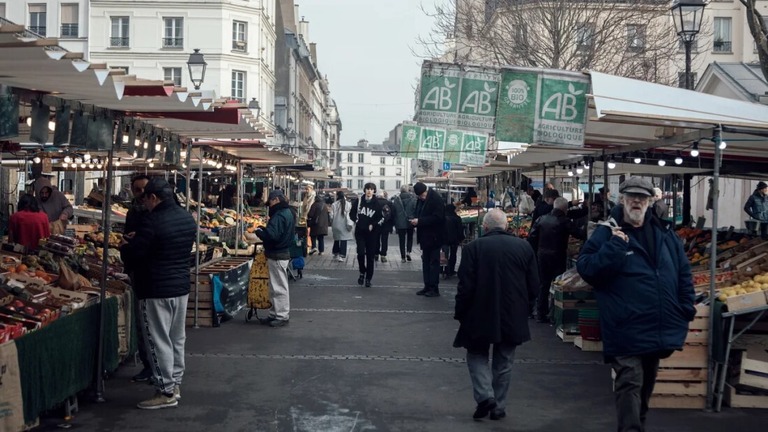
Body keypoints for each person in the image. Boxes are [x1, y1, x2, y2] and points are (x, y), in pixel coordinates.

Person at [576, 176, 695, 432]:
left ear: (651, 201)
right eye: (632, 197)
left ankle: (637, 422)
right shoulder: (607, 232)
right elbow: (586, 268)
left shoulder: (665, 233)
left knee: (647, 382)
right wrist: (615, 247)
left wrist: (686, 307)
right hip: (625, 324)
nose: (637, 202)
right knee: (630, 380)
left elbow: (683, 273)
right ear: (622, 199)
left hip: (657, 324)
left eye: (642, 197)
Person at [453, 209, 539, 421]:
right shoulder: (524, 247)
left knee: (476, 354)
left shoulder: (473, 248)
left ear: (485, 227)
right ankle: (498, 406)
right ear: (507, 226)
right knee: (505, 360)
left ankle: (485, 396)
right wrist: (526, 307)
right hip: (513, 313)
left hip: (479, 311)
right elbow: (534, 285)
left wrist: (460, 311)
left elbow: (465, 286)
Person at [119, 178, 197, 410]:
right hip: (180, 286)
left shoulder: (151, 221)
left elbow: (136, 255)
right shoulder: (186, 218)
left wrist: (125, 246)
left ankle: (165, 391)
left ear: (153, 197)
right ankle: (175, 383)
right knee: (176, 338)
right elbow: (168, 246)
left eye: (146, 199)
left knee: (157, 340)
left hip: (155, 288)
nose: (145, 204)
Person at [527, 197, 586, 323]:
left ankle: (540, 313)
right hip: (558, 255)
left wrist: (538, 249)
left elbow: (532, 236)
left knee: (544, 284)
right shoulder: (564, 221)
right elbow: (579, 234)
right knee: (558, 284)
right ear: (565, 209)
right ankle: (555, 314)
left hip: (542, 255)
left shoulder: (541, 219)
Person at [121, 174, 153, 383]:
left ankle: (158, 370)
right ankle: (149, 366)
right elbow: (127, 234)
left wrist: (133, 245)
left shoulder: (155, 214)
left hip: (152, 273)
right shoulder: (133, 212)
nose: (141, 194)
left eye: (144, 190)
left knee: (151, 325)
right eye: (137, 190)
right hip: (136, 270)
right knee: (143, 324)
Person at [255, 190, 296, 327]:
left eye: (270, 202)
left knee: (279, 287)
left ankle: (281, 315)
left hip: (278, 254)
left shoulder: (279, 215)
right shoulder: (288, 212)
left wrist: (260, 232)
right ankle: (274, 313)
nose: (269, 205)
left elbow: (272, 235)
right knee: (275, 286)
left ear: (276, 200)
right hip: (280, 253)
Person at [412, 182, 445, 297]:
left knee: (434, 262)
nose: (421, 198)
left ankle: (434, 288)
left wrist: (420, 221)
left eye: (421, 195)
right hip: (425, 236)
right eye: (419, 196)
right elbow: (419, 212)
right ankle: (427, 286)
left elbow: (438, 217)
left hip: (434, 236)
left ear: (426, 191)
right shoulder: (422, 200)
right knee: (425, 261)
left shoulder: (436, 199)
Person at [350, 183, 384, 287]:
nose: (369, 191)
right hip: (360, 231)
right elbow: (352, 213)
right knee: (360, 253)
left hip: (372, 233)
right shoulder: (359, 201)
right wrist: (356, 220)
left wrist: (372, 224)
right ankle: (362, 272)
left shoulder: (377, 203)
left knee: (370, 256)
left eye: (371, 189)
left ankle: (368, 278)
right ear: (364, 190)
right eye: (367, 189)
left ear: (374, 191)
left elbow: (380, 218)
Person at [392, 185, 416, 263]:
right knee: (410, 238)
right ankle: (408, 252)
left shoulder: (396, 199)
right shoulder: (413, 199)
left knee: (401, 240)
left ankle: (403, 257)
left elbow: (394, 212)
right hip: (410, 221)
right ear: (408, 190)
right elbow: (415, 209)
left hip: (400, 222)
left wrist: (395, 223)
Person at [442, 204, 465, 279]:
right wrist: (461, 238)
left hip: (444, 239)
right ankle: (451, 270)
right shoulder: (457, 218)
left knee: (444, 255)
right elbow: (460, 230)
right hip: (454, 240)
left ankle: (445, 270)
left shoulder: (442, 218)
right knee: (453, 255)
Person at [330, 191, 354, 262]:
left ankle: (335, 252)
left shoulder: (334, 204)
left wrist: (332, 221)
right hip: (345, 224)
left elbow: (331, 215)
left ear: (337, 196)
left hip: (336, 224)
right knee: (344, 239)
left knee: (337, 238)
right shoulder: (348, 204)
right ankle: (342, 255)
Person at [376, 192, 395, 262]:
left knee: (376, 239)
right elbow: (393, 214)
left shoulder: (374, 202)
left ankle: (376, 253)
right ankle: (383, 255)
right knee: (384, 240)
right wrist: (392, 224)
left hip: (376, 224)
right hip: (386, 224)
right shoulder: (389, 203)